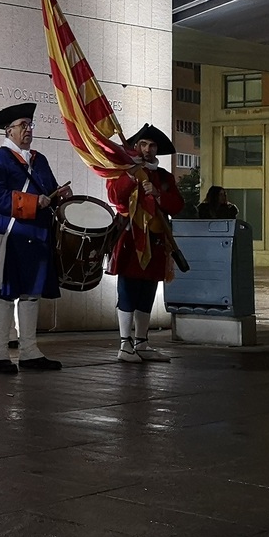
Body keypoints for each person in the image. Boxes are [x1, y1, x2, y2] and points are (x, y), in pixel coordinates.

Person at [0, 103, 72, 374]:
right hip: (12, 234)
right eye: (22, 125)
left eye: (30, 125)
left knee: (32, 294)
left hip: (37, 235)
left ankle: (29, 351)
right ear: (8, 130)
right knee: (5, 293)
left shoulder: (38, 160)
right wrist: (33, 202)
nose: (28, 130)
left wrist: (59, 196)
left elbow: (50, 190)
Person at [105, 123, 183, 363]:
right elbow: (115, 197)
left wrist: (158, 194)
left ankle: (142, 342)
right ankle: (124, 344)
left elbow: (177, 205)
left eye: (152, 145)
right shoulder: (123, 171)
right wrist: (131, 176)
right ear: (136, 147)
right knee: (128, 289)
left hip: (156, 238)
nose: (148, 149)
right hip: (130, 237)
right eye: (143, 144)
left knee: (148, 289)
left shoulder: (164, 177)